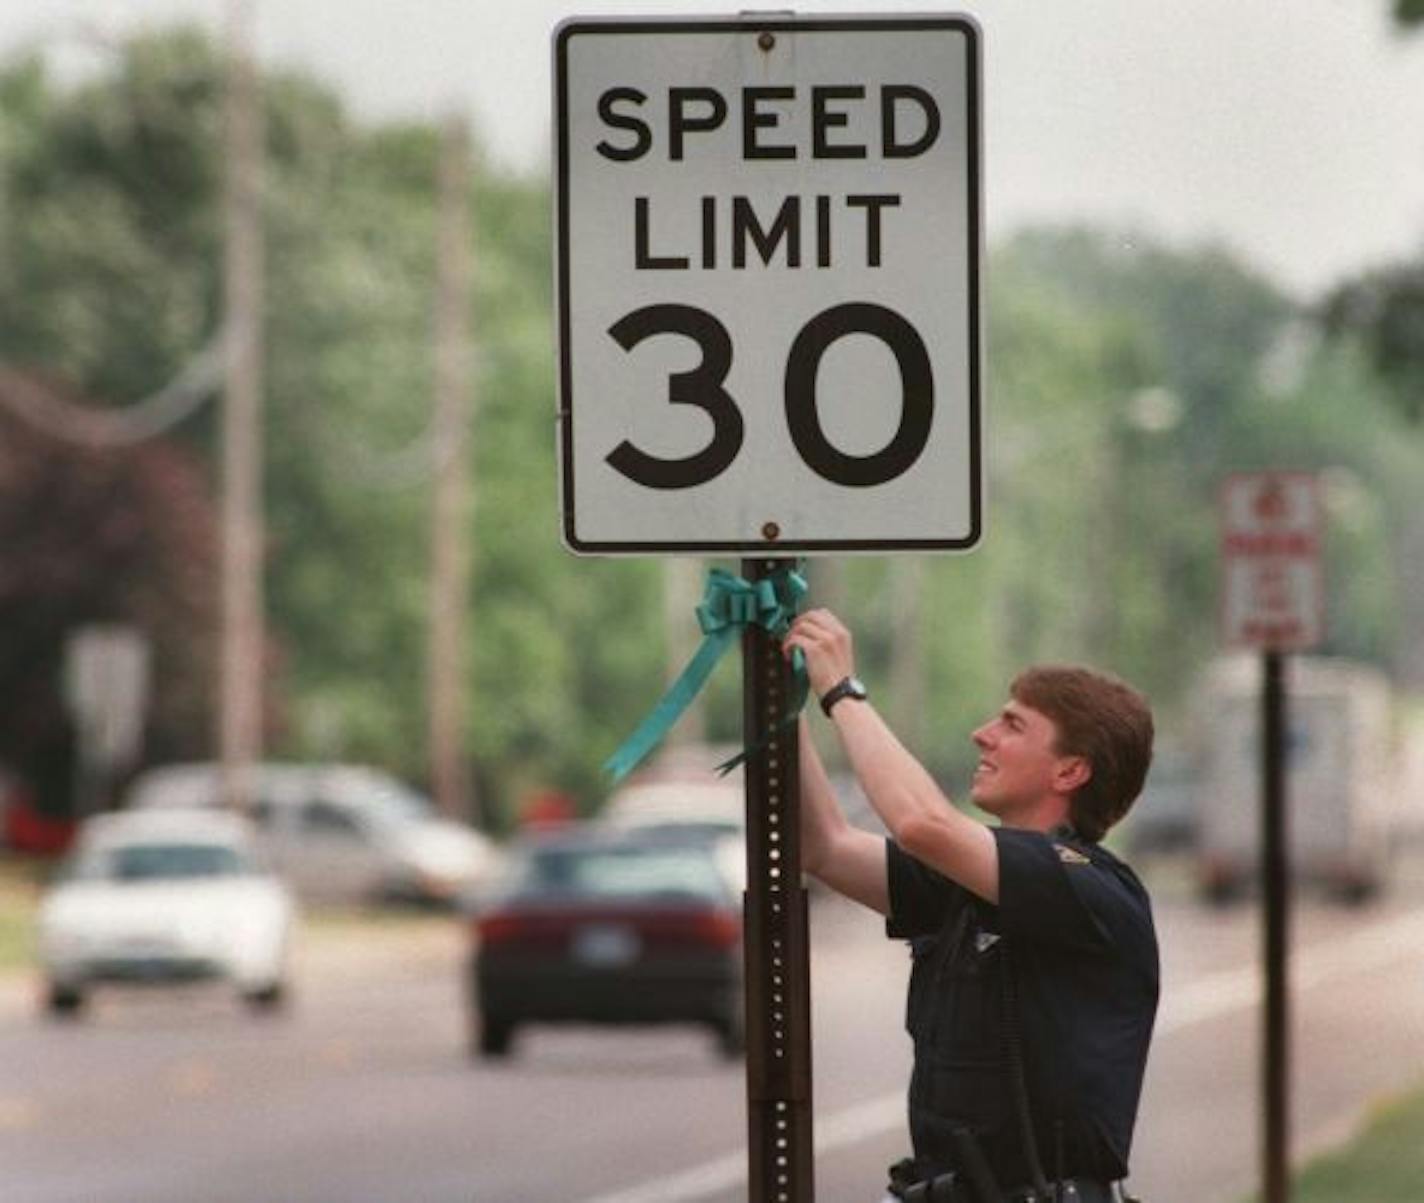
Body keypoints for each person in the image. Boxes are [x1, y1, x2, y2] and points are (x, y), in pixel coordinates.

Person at [783, 608, 1158, 1203]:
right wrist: (785, 700)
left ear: (1070, 770)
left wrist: (843, 691)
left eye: (1013, 724)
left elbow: (921, 823)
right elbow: (821, 845)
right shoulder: (968, 886)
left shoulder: (1088, 887)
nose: (983, 733)